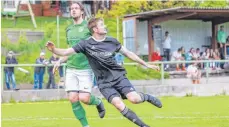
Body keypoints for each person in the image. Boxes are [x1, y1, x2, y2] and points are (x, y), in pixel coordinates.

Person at [46, 17, 162, 127]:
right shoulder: (85, 44)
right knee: (118, 105)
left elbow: (128, 53)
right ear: (95, 30)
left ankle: (147, 97)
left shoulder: (112, 41)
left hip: (118, 77)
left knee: (134, 99)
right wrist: (54, 50)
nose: (105, 26)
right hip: (104, 83)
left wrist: (146, 64)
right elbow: (67, 52)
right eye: (102, 25)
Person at [52, 2, 105, 127]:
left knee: (85, 98)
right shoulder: (69, 29)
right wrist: (59, 61)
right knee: (72, 98)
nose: (73, 10)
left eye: (76, 8)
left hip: (85, 68)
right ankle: (86, 126)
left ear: (82, 11)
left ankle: (98, 102)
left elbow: (98, 42)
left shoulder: (88, 27)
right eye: (71, 9)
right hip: (71, 68)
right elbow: (69, 50)